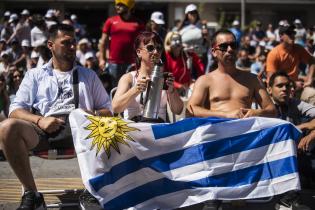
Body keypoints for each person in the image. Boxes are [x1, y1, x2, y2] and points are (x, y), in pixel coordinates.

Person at [0, 24, 112, 210]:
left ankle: (92, 190)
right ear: (51, 45)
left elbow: (108, 110)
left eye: (74, 42)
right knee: (6, 127)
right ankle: (32, 194)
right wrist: (39, 120)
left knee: (113, 126)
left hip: (82, 132)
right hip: (45, 129)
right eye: (66, 43)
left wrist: (88, 115)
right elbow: (15, 110)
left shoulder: (89, 75)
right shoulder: (35, 75)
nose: (72, 47)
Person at [187, 29, 276, 119]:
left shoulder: (253, 79)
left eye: (233, 45)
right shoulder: (205, 81)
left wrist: (256, 112)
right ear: (214, 52)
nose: (230, 49)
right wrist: (226, 115)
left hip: (245, 130)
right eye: (224, 46)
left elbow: (272, 110)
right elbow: (191, 110)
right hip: (217, 131)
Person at [112, 31, 183, 122]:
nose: (156, 52)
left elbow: (178, 110)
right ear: (139, 52)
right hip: (135, 129)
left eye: (159, 48)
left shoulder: (164, 78)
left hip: (158, 129)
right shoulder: (129, 78)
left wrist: (172, 90)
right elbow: (115, 108)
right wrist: (135, 90)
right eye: (150, 48)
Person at [267, 71, 312, 210]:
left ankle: (289, 199)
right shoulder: (260, 107)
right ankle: (289, 199)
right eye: (279, 86)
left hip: (295, 154)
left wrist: (309, 133)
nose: (284, 89)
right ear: (269, 89)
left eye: (287, 86)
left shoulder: (295, 103)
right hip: (268, 157)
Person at [98, 0, 145, 88]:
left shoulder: (139, 24)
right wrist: (101, 59)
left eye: (121, 5)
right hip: (114, 63)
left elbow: (142, 44)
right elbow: (103, 42)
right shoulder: (110, 21)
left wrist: (141, 61)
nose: (117, 7)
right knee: (115, 89)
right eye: (117, 5)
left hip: (132, 63)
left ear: (129, 6)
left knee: (131, 87)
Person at [164, 31, 204, 97]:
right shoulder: (166, 57)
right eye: (175, 40)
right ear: (168, 43)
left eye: (179, 40)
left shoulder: (186, 53)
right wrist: (178, 85)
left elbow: (199, 64)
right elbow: (165, 77)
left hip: (186, 87)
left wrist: (201, 79)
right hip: (171, 89)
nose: (178, 42)